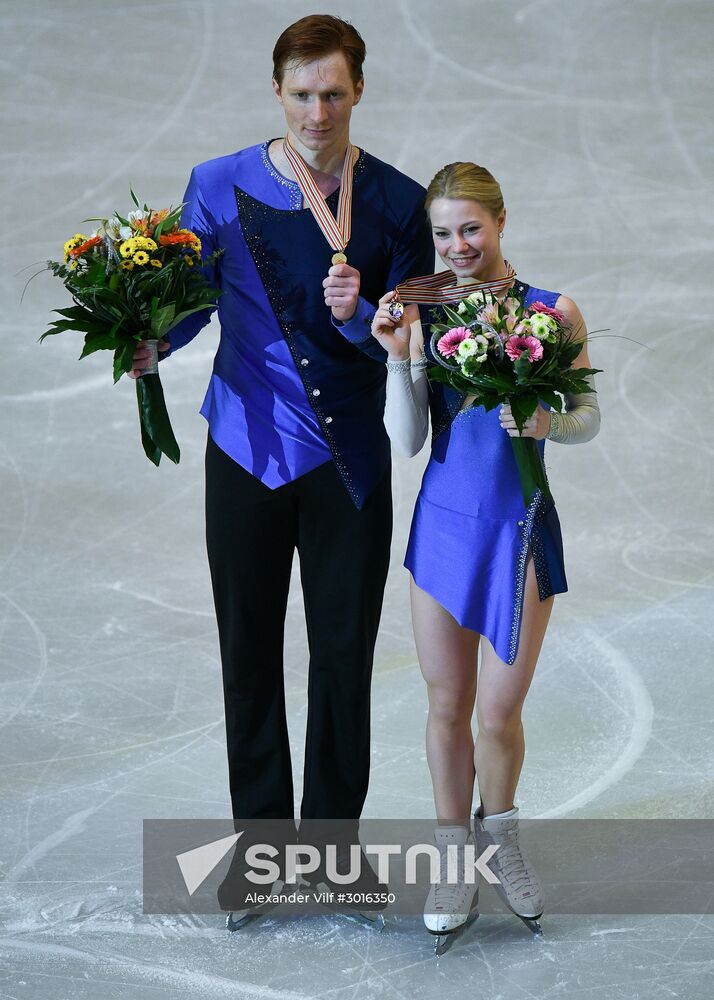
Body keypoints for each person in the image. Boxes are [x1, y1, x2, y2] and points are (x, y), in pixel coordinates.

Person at [128, 15, 433, 918]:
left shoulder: (395, 203)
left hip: (349, 463)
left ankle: (332, 854)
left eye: (333, 93)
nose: (317, 111)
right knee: (249, 654)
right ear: (276, 91)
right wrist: (150, 339)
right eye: (301, 94)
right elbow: (188, 306)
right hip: (245, 449)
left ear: (358, 92)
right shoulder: (216, 185)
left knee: (342, 658)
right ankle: (264, 855)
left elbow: (411, 342)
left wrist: (364, 311)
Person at [371, 161, 601, 945]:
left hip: (521, 526)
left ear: (501, 221)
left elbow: (587, 416)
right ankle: (451, 861)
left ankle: (501, 845)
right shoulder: (419, 308)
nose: (457, 245)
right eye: (442, 233)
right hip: (444, 524)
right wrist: (401, 357)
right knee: (446, 707)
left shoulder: (551, 311)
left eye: (470, 227)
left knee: (498, 714)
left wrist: (547, 425)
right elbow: (406, 441)